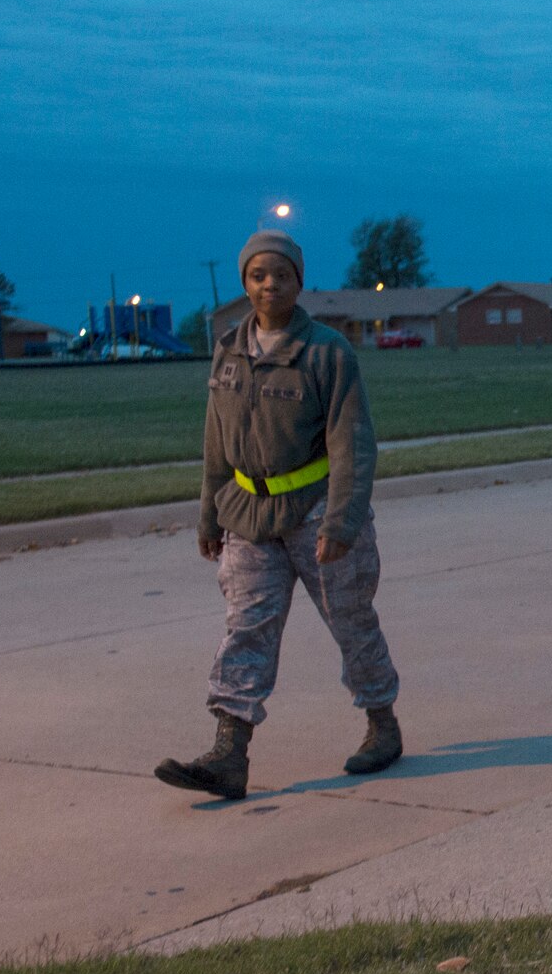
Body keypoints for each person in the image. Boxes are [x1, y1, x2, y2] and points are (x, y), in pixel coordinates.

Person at [155, 230, 404, 801]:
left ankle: (382, 723)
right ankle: (229, 753)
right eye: (258, 275)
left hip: (317, 510)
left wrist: (341, 523)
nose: (270, 284)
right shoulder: (227, 352)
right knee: (247, 625)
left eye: (281, 275)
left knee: (350, 618)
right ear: (245, 283)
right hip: (247, 512)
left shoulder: (326, 351)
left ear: (298, 280)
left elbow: (353, 444)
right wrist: (207, 516)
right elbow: (215, 441)